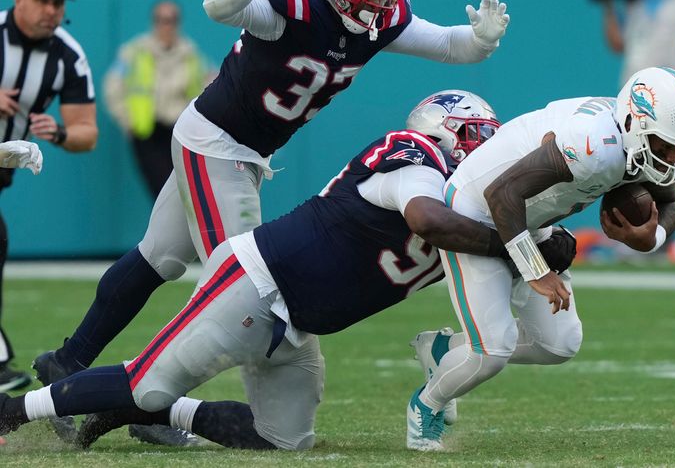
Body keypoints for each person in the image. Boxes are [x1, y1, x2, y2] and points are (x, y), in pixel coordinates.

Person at [33, 0, 511, 407]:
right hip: (218, 142)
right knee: (238, 289)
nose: (377, 1)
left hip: (243, 148)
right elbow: (217, 6)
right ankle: (152, 403)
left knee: (160, 257)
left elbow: (451, 44)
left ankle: (69, 361)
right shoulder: (296, 2)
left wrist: (482, 40)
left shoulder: (378, 21)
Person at [0, 90, 548, 451]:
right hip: (258, 282)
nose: (488, 151)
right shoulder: (412, 154)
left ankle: (166, 414)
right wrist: (514, 244)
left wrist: (538, 243)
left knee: (284, 441)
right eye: (478, 136)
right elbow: (428, 220)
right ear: (445, 134)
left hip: (300, 323)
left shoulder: (475, 205)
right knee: (145, 382)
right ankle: (12, 410)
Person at [403, 66, 675, 451]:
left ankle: (443, 350)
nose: (670, 158)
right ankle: (426, 405)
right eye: (664, 146)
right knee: (491, 351)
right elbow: (502, 194)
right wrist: (536, 270)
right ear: (634, 122)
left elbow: (670, 199)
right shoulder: (593, 145)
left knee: (559, 343)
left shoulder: (641, 138)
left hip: (530, 215)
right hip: (475, 209)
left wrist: (651, 237)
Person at [0, 0, 97, 393]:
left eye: (58, 3)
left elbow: (86, 132)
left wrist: (57, 132)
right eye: (42, 0)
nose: (50, 10)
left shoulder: (67, 54)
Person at [104, 0, 213, 199]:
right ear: (154, 22)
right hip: (147, 132)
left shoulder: (190, 54)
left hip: (180, 131)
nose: (167, 26)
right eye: (161, 20)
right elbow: (112, 87)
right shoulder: (135, 51)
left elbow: (208, 84)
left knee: (186, 192)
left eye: (171, 20)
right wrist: (127, 120)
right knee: (163, 190)